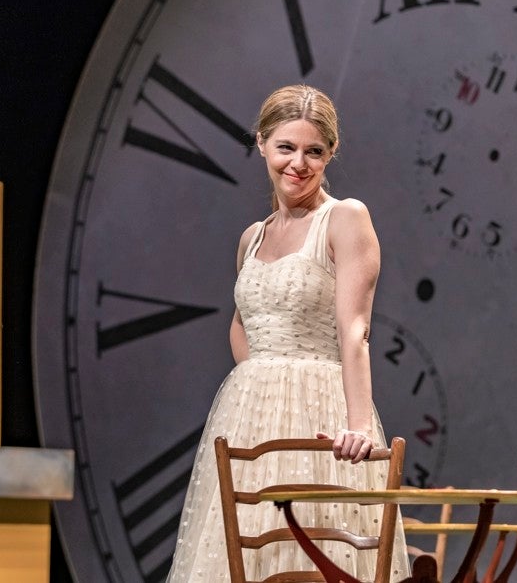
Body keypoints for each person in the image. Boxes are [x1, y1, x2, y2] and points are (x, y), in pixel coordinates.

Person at [165, 85, 410, 582]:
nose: (298, 163)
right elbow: (243, 321)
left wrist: (360, 426)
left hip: (323, 410)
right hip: (252, 418)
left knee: (317, 552)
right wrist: (257, 381)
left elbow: (355, 328)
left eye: (313, 151)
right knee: (247, 554)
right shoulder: (251, 237)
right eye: (286, 148)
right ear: (262, 144)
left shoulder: (344, 218)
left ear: (330, 154)